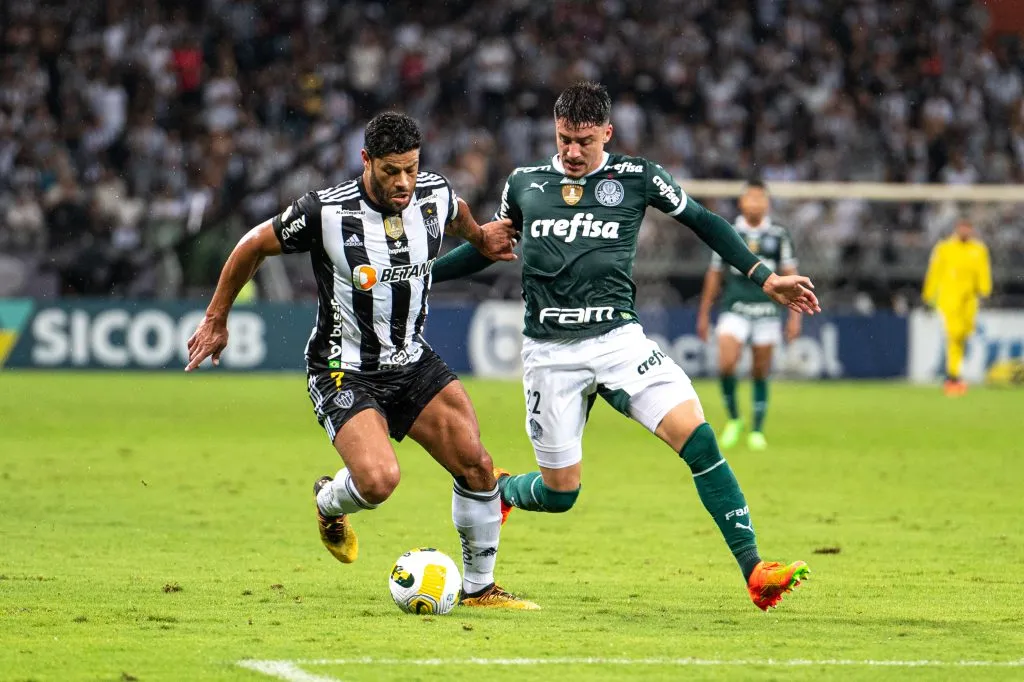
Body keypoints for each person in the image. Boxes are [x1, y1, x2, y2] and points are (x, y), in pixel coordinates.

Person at [432, 82, 819, 610]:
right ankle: (503, 492)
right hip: (551, 352)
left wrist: (764, 277)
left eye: (584, 141)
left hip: (620, 339)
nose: (571, 152)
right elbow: (488, 247)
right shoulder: (524, 183)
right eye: (564, 139)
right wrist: (419, 276)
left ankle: (755, 571)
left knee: (699, 440)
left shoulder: (637, 177)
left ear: (607, 134)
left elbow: (703, 222)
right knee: (561, 494)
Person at [185, 112, 537, 609]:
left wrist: (479, 237)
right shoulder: (324, 212)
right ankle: (329, 502)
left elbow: (455, 209)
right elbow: (252, 245)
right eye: (392, 171)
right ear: (366, 160)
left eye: (412, 169)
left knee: (477, 466)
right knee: (378, 481)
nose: (404, 183)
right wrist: (217, 318)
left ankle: (480, 589)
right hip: (343, 367)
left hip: (412, 362)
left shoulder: (431, 193)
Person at [696, 179, 801, 451]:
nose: (754, 203)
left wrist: (795, 316)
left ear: (767, 203)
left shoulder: (779, 234)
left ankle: (756, 429)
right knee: (726, 364)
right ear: (741, 202)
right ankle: (734, 420)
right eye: (750, 198)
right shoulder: (729, 231)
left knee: (759, 370)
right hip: (735, 307)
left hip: (767, 310)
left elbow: (790, 274)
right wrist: (704, 313)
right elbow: (715, 274)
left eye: (759, 198)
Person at [922, 216, 992, 396]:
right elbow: (935, 272)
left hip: (970, 298)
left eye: (968, 228)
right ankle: (953, 376)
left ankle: (954, 374)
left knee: (964, 334)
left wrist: (985, 290)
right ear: (957, 228)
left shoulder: (979, 249)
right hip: (949, 297)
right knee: (954, 333)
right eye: (962, 228)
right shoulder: (944, 248)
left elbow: (983, 270)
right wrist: (929, 295)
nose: (965, 231)